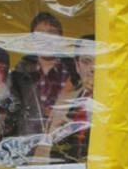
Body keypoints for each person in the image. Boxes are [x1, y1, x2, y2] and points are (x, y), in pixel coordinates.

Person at [10, 13, 76, 137]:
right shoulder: (18, 75)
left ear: (60, 38)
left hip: (65, 140)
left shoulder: (75, 72)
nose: (46, 39)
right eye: (40, 33)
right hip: (27, 142)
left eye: (51, 32)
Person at [35, 34, 95, 163]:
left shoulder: (120, 101)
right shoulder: (64, 102)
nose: (93, 68)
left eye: (99, 61)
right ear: (77, 66)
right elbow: (41, 155)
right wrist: (54, 138)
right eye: (86, 61)